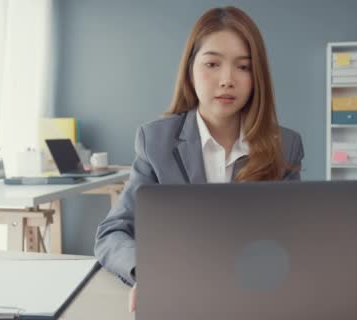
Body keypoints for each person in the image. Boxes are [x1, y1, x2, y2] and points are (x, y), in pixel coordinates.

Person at [94, 6, 305, 312]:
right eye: (212, 64)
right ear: (191, 69)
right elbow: (112, 233)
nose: (227, 79)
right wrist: (148, 273)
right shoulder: (156, 142)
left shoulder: (285, 145)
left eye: (243, 67)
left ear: (257, 75)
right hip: (179, 301)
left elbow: (295, 239)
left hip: (257, 302)